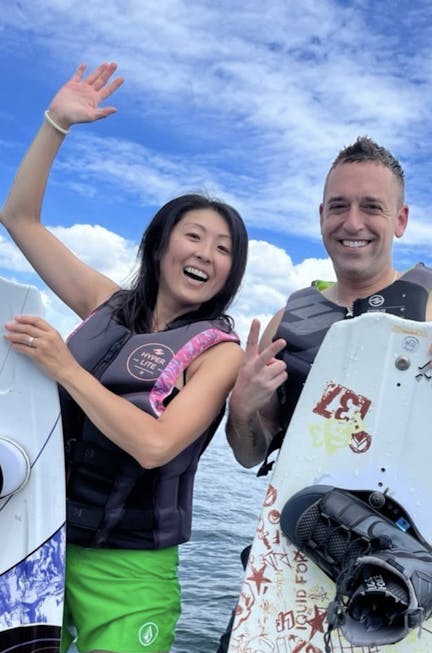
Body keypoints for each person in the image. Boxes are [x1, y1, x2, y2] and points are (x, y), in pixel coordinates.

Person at [0, 62, 248, 653]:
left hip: (132, 573)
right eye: (194, 236)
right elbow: (19, 218)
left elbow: (157, 445)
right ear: (161, 244)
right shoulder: (103, 304)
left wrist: (63, 368)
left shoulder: (220, 353)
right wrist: (55, 123)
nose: (206, 254)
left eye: (223, 249)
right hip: (40, 539)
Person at [226, 135, 432, 471]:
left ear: (400, 220)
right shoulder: (285, 323)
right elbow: (250, 455)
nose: (353, 222)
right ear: (322, 216)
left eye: (372, 207)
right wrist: (242, 409)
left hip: (414, 519)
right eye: (338, 206)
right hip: (297, 519)